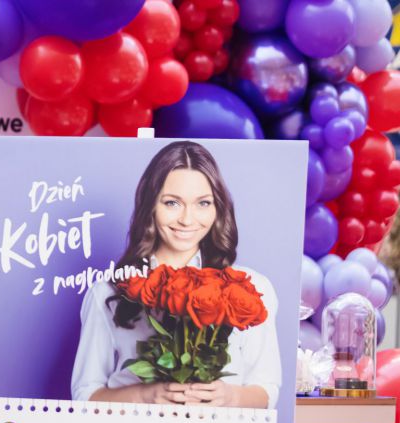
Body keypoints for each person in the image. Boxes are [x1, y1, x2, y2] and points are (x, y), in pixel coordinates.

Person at [70, 140, 281, 408]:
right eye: (172, 203)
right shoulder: (107, 292)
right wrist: (146, 396)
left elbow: (267, 389)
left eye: (203, 203)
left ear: (218, 208)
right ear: (150, 206)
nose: (187, 219)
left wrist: (230, 396)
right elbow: (85, 395)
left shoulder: (248, 290)